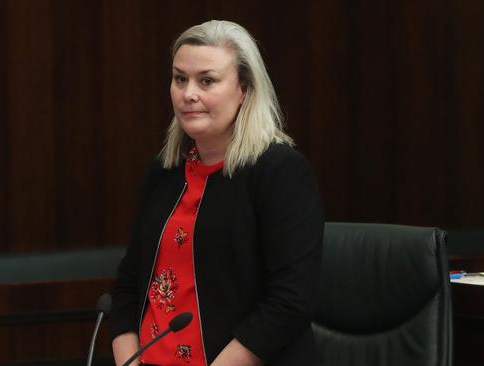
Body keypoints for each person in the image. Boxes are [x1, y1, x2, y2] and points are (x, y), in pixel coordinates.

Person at [110, 20, 324, 366]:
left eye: (206, 80)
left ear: (244, 89)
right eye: (180, 79)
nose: (188, 93)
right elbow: (127, 286)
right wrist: (129, 361)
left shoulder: (280, 172)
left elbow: (289, 302)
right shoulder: (164, 172)